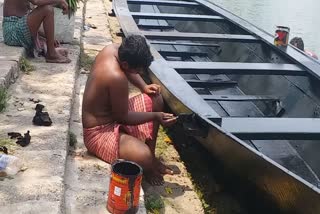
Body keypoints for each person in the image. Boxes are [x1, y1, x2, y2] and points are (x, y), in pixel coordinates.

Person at [82, 35, 177, 185]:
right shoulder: (116, 77)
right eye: (138, 69)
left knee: (155, 98)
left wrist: (143, 87)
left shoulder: (114, 49)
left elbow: (129, 71)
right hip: (98, 132)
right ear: (126, 65)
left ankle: (152, 157)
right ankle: (149, 162)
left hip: (114, 114)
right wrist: (156, 116)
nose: (140, 73)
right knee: (143, 156)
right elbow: (123, 117)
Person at [2, 0, 71, 63]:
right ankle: (51, 54)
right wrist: (59, 1)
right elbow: (36, 1)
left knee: (47, 8)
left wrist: (49, 38)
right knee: (47, 9)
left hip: (18, 28)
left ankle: (50, 50)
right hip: (12, 32)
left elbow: (29, 22)